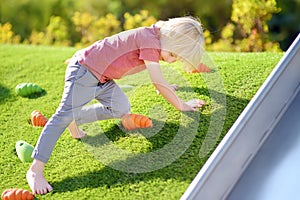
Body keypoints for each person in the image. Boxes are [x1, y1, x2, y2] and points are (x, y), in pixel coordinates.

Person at [26, 16, 207, 195]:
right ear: (167, 37)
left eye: (176, 58)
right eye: (173, 55)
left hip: (103, 78)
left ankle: (74, 119)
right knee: (63, 116)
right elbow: (157, 79)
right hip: (84, 71)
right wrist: (182, 105)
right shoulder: (150, 40)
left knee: (121, 109)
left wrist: (164, 87)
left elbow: (154, 75)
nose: (171, 60)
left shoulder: (156, 38)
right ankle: (35, 169)